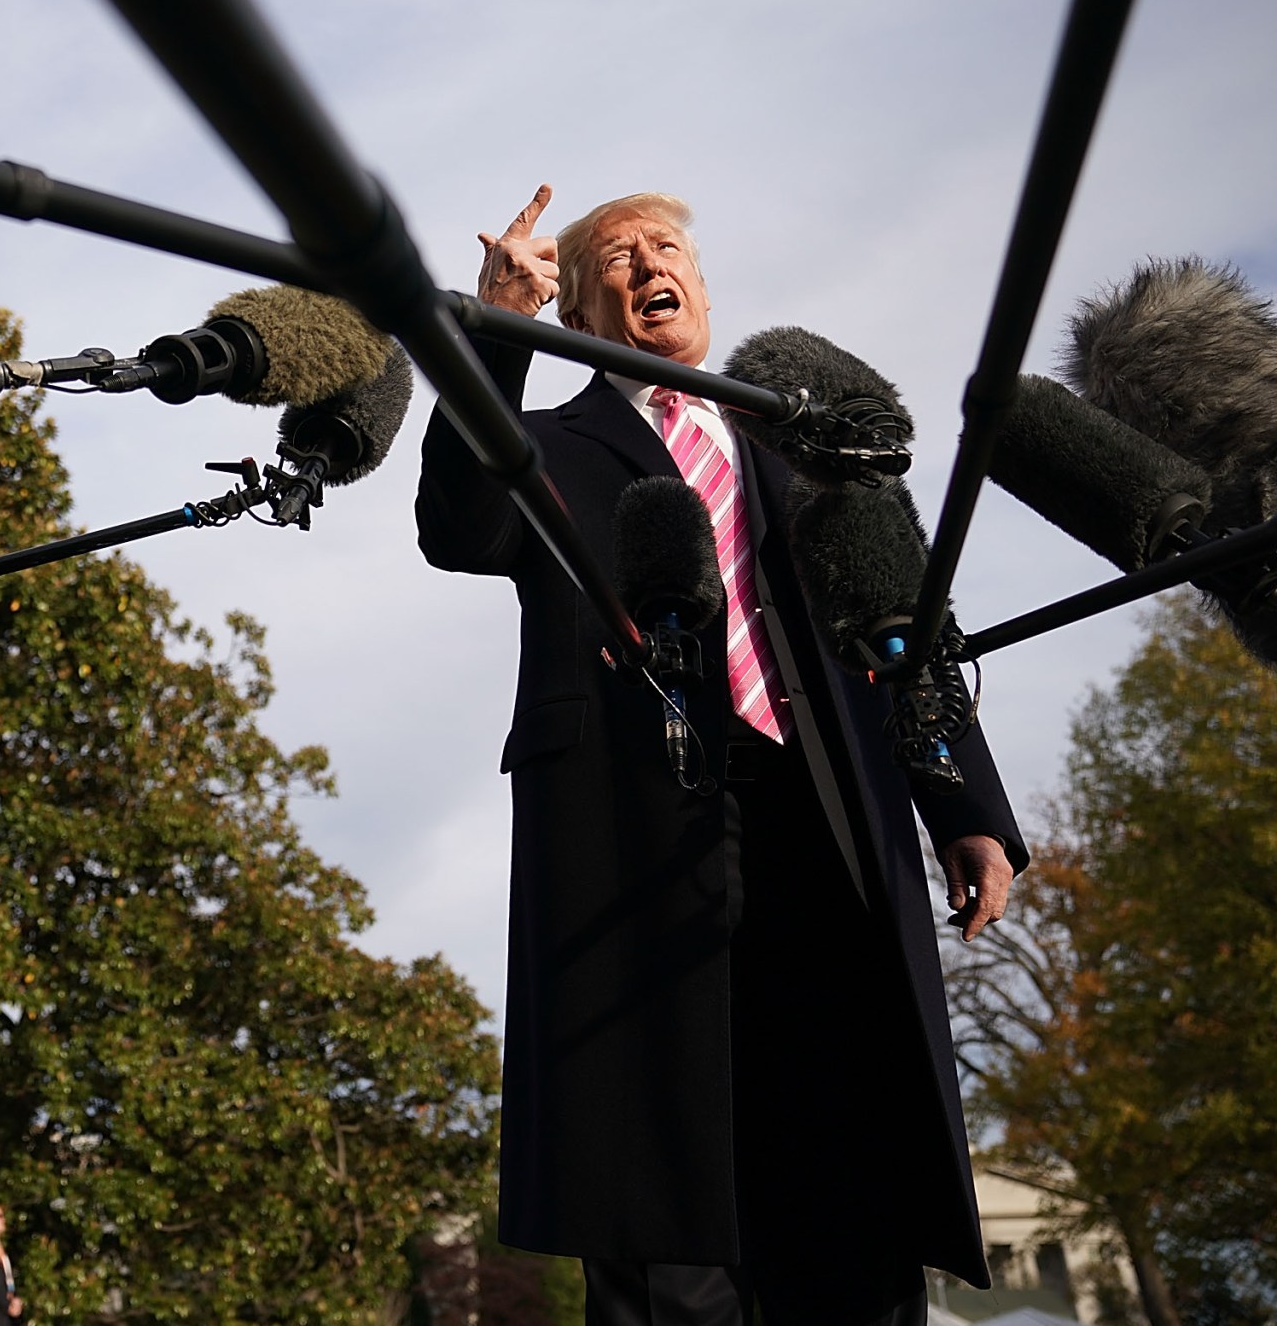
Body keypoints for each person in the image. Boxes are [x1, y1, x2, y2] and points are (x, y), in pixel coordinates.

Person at [416, 185, 1027, 1326]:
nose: (652, 265)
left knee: (852, 1154)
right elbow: (458, 527)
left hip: (826, 818)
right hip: (630, 836)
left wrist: (961, 805)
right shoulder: (543, 443)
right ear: (583, 306)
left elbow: (907, 631)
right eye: (618, 257)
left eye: (670, 248)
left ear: (698, 280)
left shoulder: (803, 446)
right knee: (664, 1186)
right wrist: (489, 329)